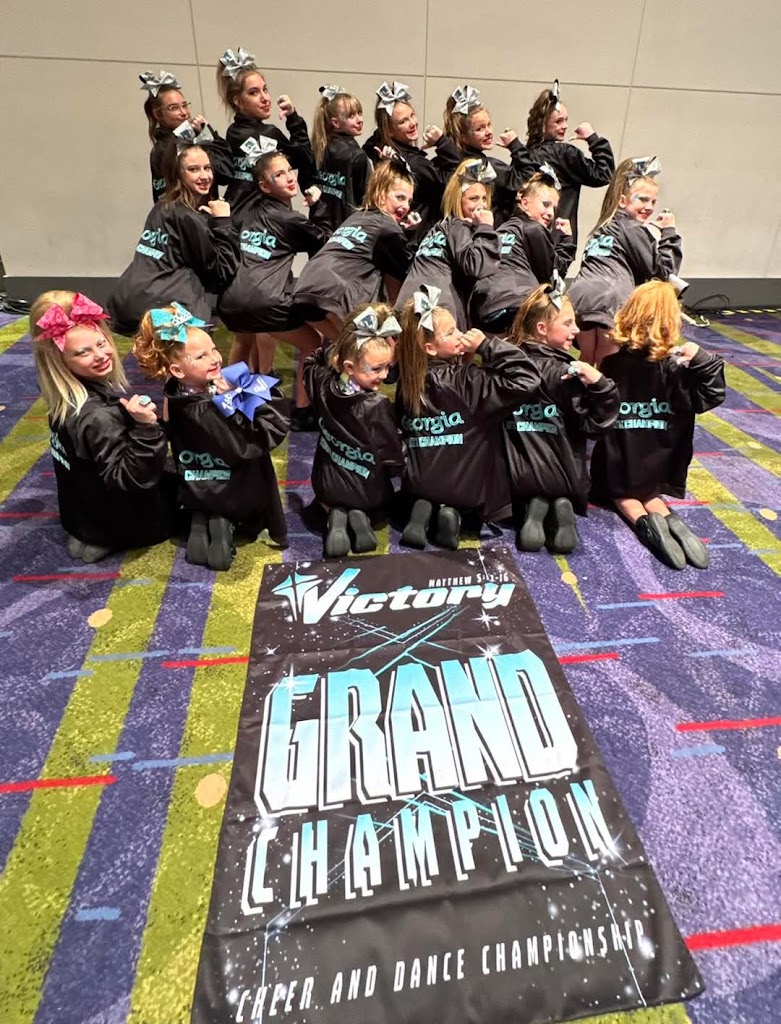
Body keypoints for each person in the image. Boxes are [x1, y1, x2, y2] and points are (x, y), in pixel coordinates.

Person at [134, 303, 290, 570]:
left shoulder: (174, 392)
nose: (216, 358)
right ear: (177, 370)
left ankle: (202, 515)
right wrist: (237, 397)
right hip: (235, 483)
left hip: (196, 477)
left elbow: (170, 427)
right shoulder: (215, 402)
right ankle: (225, 519)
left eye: (214, 349)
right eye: (202, 356)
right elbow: (252, 440)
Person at [31, 291, 175, 562]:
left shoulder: (61, 398)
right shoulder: (99, 417)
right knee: (190, 478)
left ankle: (92, 536)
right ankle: (110, 537)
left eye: (101, 343)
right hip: (131, 523)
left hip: (82, 517)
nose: (100, 355)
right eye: (82, 352)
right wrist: (146, 428)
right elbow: (131, 479)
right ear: (58, 360)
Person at [590, 281, 725, 569]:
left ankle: (646, 525)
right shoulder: (678, 368)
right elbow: (712, 395)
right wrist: (703, 360)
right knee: (650, 494)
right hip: (661, 460)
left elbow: (598, 411)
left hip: (620, 460)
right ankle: (671, 521)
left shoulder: (612, 364)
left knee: (623, 497)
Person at [394, 285, 540, 549]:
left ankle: (423, 507)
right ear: (430, 348)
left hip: (417, 483)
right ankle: (455, 513)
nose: (461, 335)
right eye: (451, 332)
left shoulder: (408, 383)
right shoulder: (468, 380)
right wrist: (486, 345)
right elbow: (527, 378)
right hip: (463, 488)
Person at [504, 280, 618, 553]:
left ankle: (531, 506)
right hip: (563, 475)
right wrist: (603, 386)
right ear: (542, 329)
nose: (576, 330)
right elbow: (596, 425)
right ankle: (559, 503)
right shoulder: (568, 375)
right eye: (568, 324)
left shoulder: (506, 365)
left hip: (516, 476)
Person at [218, 144, 326, 429]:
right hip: (265, 301)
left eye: (290, 171)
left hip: (230, 299)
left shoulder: (246, 213)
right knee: (312, 343)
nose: (290, 177)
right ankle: (303, 411)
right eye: (279, 175)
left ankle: (226, 406)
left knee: (243, 340)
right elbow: (322, 241)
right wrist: (318, 207)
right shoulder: (290, 218)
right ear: (265, 186)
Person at [108, 141, 239, 337]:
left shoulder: (162, 207)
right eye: (193, 169)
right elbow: (221, 272)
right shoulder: (188, 217)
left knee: (155, 357)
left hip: (129, 302)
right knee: (196, 355)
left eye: (207, 168)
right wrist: (223, 221)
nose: (205, 176)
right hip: (164, 310)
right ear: (177, 174)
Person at [303, 304, 404, 557]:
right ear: (349, 367)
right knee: (385, 496)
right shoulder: (377, 405)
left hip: (326, 486)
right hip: (366, 491)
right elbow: (391, 456)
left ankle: (336, 514)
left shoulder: (321, 383)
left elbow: (310, 361)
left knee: (332, 498)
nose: (384, 375)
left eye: (387, 367)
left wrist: (334, 352)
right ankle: (361, 514)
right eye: (376, 369)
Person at [568, 156, 683, 366]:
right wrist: (669, 232)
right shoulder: (632, 227)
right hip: (610, 298)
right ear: (622, 200)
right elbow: (662, 272)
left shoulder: (603, 226)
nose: (649, 207)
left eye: (653, 202)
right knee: (607, 361)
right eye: (642, 200)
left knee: (587, 357)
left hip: (579, 296)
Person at [292, 162, 415, 341]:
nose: (406, 206)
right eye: (400, 197)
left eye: (409, 201)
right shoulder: (388, 228)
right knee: (373, 349)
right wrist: (409, 235)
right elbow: (403, 273)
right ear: (380, 194)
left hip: (305, 287)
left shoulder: (357, 217)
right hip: (336, 292)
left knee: (344, 348)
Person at [396, 159, 500, 330]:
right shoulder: (458, 226)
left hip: (408, 308)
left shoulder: (438, 228)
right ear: (458, 199)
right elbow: (477, 266)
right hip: (435, 314)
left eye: (484, 198)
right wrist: (486, 227)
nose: (481, 205)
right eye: (473, 198)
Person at [471, 167, 576, 333]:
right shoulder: (533, 229)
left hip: (483, 309)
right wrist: (568, 240)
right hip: (517, 305)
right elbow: (553, 275)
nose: (550, 213)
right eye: (546, 205)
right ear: (525, 203)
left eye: (554, 209)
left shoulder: (500, 230)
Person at [361, 81, 461, 242]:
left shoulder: (376, 149)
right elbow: (455, 181)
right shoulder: (413, 164)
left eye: (412, 115)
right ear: (389, 130)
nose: (413, 123)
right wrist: (442, 143)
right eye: (403, 121)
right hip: (416, 238)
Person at [216, 48, 314, 209]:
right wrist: (293, 118)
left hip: (236, 212)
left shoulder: (233, 132)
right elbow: (305, 157)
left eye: (265, 89)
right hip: (266, 217)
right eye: (254, 93)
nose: (265, 98)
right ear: (237, 101)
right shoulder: (267, 134)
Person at [525, 79, 615, 245]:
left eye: (566, 120)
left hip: (526, 238)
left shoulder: (524, 156)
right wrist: (593, 138)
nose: (565, 126)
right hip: (559, 238)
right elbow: (604, 173)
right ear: (543, 124)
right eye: (558, 121)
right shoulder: (564, 154)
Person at [441, 84, 536, 224]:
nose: (488, 132)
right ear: (463, 137)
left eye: (488, 125)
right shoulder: (484, 167)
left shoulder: (446, 162)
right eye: (480, 129)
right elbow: (528, 178)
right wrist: (515, 146)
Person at [139, 68, 232, 204]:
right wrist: (208, 135)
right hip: (190, 214)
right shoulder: (170, 148)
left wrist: (208, 135)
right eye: (173, 108)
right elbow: (225, 173)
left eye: (185, 105)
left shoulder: (189, 140)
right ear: (158, 114)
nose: (184, 113)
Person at [309, 84, 372, 234]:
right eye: (351, 116)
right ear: (336, 122)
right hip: (347, 231)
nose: (359, 120)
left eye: (359, 113)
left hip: (319, 228)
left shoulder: (318, 148)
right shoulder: (357, 155)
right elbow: (366, 199)